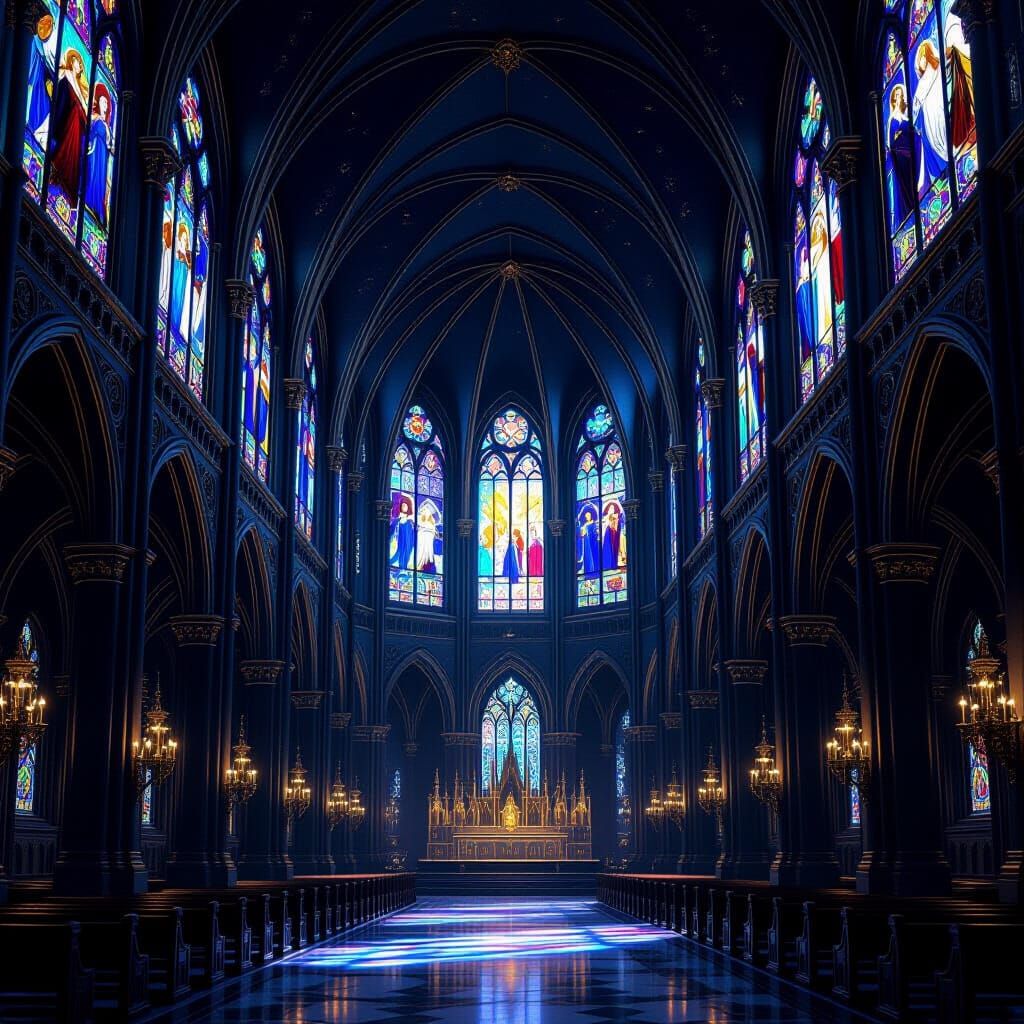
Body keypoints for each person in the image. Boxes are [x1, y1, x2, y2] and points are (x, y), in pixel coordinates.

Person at [49, 48, 89, 203]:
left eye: (80, 63)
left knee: (74, 160)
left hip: (77, 129)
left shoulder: (80, 87)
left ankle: (67, 186)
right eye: (77, 61)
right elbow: (57, 81)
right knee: (63, 152)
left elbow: (84, 110)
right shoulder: (66, 74)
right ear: (71, 61)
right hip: (67, 122)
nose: (79, 65)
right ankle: (56, 172)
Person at [84, 84, 114, 225]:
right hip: (95, 151)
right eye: (103, 101)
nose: (105, 105)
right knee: (93, 175)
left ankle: (97, 208)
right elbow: (89, 132)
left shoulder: (107, 126)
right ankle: (89, 201)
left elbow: (111, 146)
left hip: (103, 156)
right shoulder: (95, 117)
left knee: (101, 181)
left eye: (107, 103)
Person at [26, 14, 56, 147]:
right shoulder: (31, 41)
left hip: (38, 83)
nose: (45, 27)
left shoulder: (44, 57)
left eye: (48, 25)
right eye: (43, 23)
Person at [389, 497, 415, 570]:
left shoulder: (410, 522)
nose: (403, 507)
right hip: (396, 542)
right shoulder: (396, 520)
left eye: (405, 505)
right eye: (402, 505)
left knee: (404, 556)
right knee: (394, 556)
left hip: (406, 543)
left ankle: (403, 569)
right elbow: (391, 530)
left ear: (408, 507)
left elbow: (411, 536)